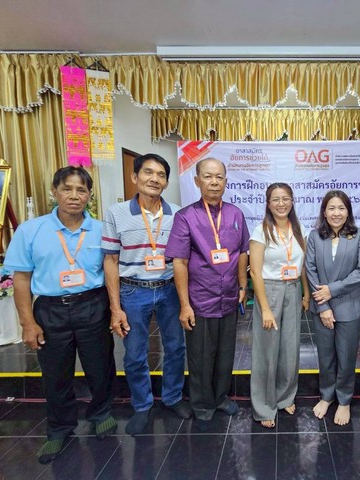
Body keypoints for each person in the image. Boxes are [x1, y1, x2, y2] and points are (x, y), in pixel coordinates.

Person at [4, 166, 116, 464]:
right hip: (50, 309)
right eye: (67, 189)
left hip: (93, 304)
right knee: (55, 373)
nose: (74, 196)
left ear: (89, 195)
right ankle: (59, 428)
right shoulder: (31, 230)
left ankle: (101, 413)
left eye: (81, 190)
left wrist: (115, 309)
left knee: (100, 365)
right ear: (54, 192)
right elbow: (21, 279)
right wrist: (28, 323)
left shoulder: (101, 229)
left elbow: (110, 268)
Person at [102, 153, 190, 436]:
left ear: (166, 182)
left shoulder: (177, 213)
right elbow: (110, 260)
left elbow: (182, 259)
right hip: (133, 290)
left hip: (168, 289)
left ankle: (173, 397)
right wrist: (115, 307)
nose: (154, 179)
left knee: (175, 347)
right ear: (134, 176)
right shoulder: (116, 213)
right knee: (135, 353)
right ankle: (142, 405)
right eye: (148, 172)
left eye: (161, 174)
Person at [165, 158, 250, 428]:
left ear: (226, 181)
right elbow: (179, 262)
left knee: (225, 355)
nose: (214, 182)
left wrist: (243, 286)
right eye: (208, 176)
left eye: (219, 177)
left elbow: (242, 253)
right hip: (200, 300)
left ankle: (221, 397)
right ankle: (202, 405)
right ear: (197, 180)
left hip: (229, 298)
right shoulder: (185, 217)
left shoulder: (235, 214)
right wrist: (184, 305)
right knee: (201, 356)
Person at [305, 190, 360, 426]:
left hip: (350, 306)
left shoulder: (359, 236)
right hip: (321, 306)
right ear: (324, 212)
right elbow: (310, 270)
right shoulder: (315, 237)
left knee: (346, 356)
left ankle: (344, 400)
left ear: (348, 212)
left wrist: (331, 290)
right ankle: (326, 396)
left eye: (341, 208)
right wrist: (323, 305)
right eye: (331, 208)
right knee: (325, 356)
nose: (336, 213)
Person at [249, 183, 310, 428]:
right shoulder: (260, 231)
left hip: (293, 289)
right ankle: (264, 406)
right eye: (275, 199)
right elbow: (255, 272)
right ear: (268, 203)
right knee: (267, 349)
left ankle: (285, 397)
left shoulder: (299, 229)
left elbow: (302, 265)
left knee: (290, 348)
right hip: (270, 290)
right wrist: (265, 308)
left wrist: (306, 293)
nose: (281, 203)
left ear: (292, 201)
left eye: (285, 198)